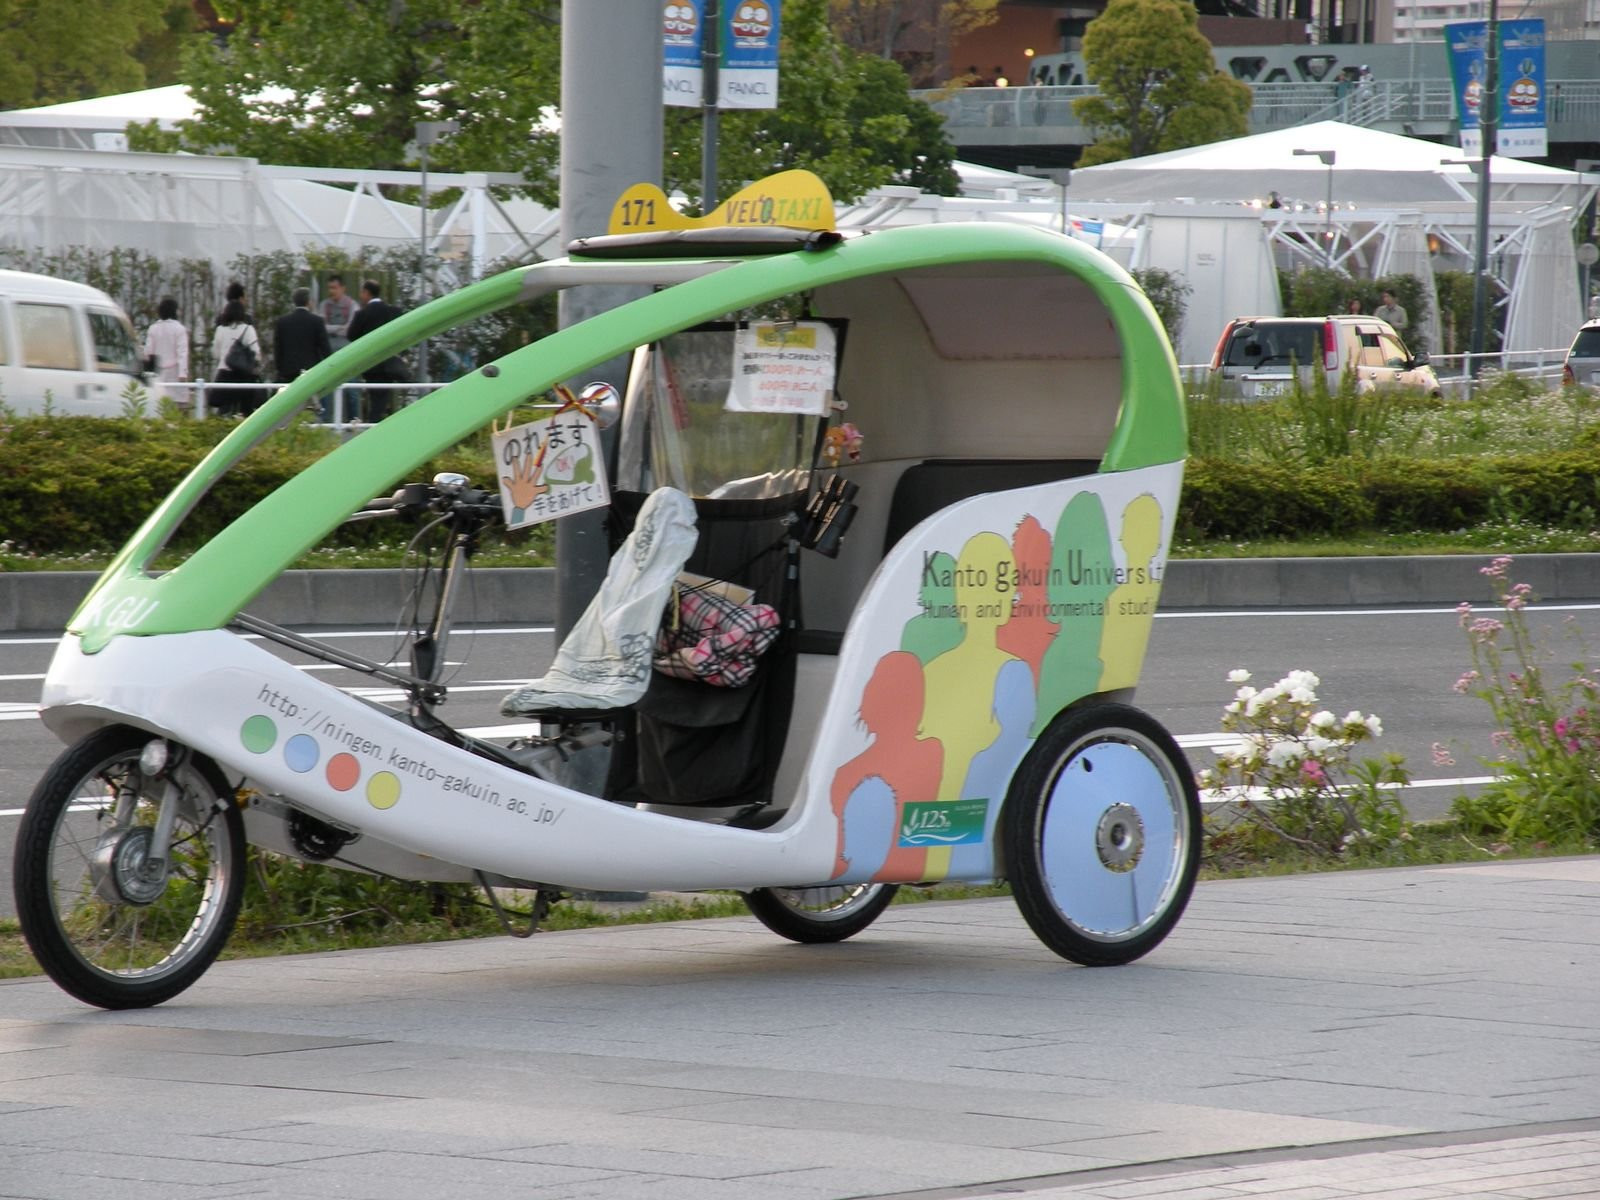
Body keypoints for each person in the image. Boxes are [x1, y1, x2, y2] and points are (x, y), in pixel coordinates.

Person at [345, 278, 406, 422]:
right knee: (382, 398)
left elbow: (351, 335)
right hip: (389, 363)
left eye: (362, 292)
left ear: (367, 293)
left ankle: (372, 424)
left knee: (375, 398)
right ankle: (376, 421)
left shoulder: (362, 314)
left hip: (370, 364)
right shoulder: (393, 312)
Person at [274, 286, 333, 418]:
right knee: (312, 408)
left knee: (289, 408)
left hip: (288, 372)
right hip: (311, 371)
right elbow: (325, 349)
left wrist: (280, 369)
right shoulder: (317, 321)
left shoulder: (283, 322)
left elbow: (278, 349)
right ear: (309, 302)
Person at [211, 298, 262, 417]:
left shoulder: (220, 330)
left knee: (223, 412)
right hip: (244, 376)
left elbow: (215, 354)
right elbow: (256, 353)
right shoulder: (248, 329)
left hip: (224, 374)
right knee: (246, 413)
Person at [143, 296, 190, 409]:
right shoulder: (180, 329)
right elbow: (182, 353)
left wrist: (146, 373)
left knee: (159, 405)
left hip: (158, 373)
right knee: (178, 407)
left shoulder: (153, 328)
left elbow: (148, 352)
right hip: (175, 373)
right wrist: (183, 374)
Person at [319, 274, 356, 352]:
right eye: (329, 288)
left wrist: (331, 329)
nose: (331, 291)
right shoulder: (324, 305)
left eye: (334, 288)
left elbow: (351, 328)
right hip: (328, 348)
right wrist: (339, 327)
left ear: (343, 288)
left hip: (347, 348)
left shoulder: (352, 305)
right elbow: (321, 328)